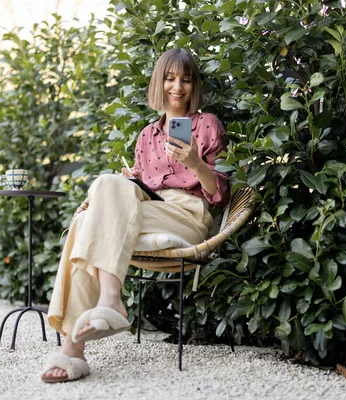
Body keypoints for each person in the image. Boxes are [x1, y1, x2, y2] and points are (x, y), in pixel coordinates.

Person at [41, 48, 230, 383]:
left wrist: (196, 164)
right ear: (159, 82)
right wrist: (132, 183)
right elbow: (143, 184)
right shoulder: (147, 135)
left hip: (189, 213)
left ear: (194, 85)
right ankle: (103, 309)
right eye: (170, 78)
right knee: (102, 194)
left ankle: (77, 342)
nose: (177, 87)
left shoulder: (207, 125)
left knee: (92, 214)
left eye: (185, 80)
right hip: (150, 207)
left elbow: (220, 195)